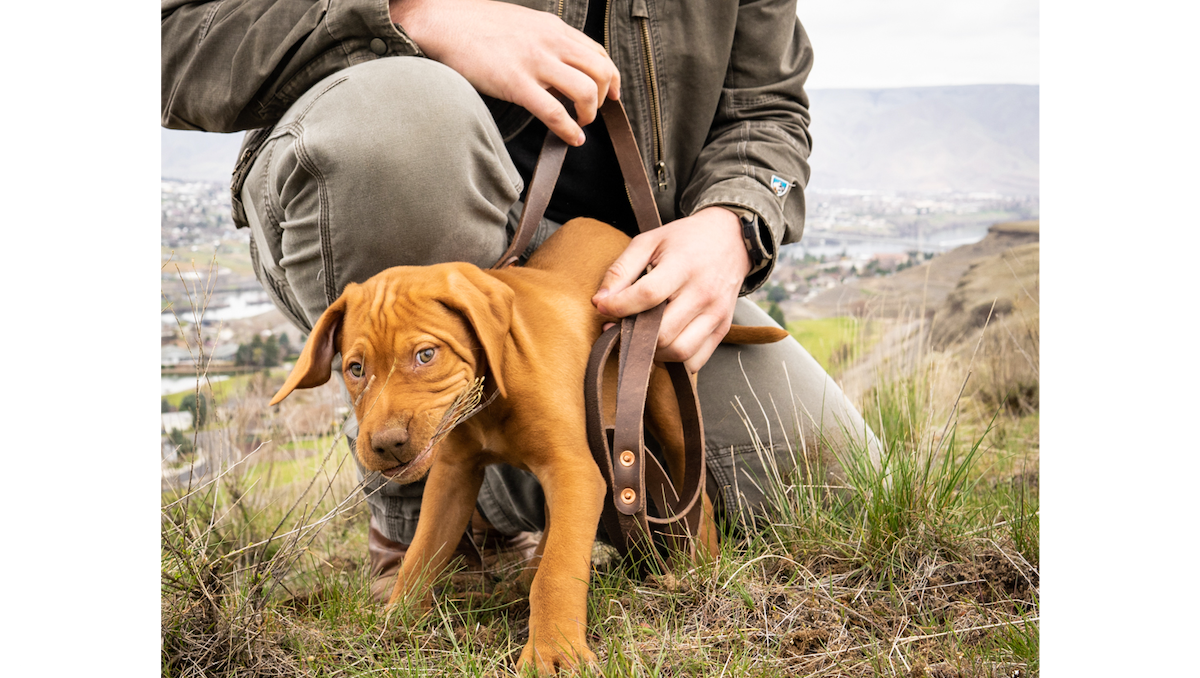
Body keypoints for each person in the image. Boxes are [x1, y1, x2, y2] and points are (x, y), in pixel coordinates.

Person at [162, 0, 881, 600]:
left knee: (840, 488)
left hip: (615, 285)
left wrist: (737, 219)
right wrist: (411, 14)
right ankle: (421, 515)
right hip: (449, 211)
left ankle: (519, 461)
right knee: (400, 128)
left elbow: (771, 114)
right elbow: (170, 33)